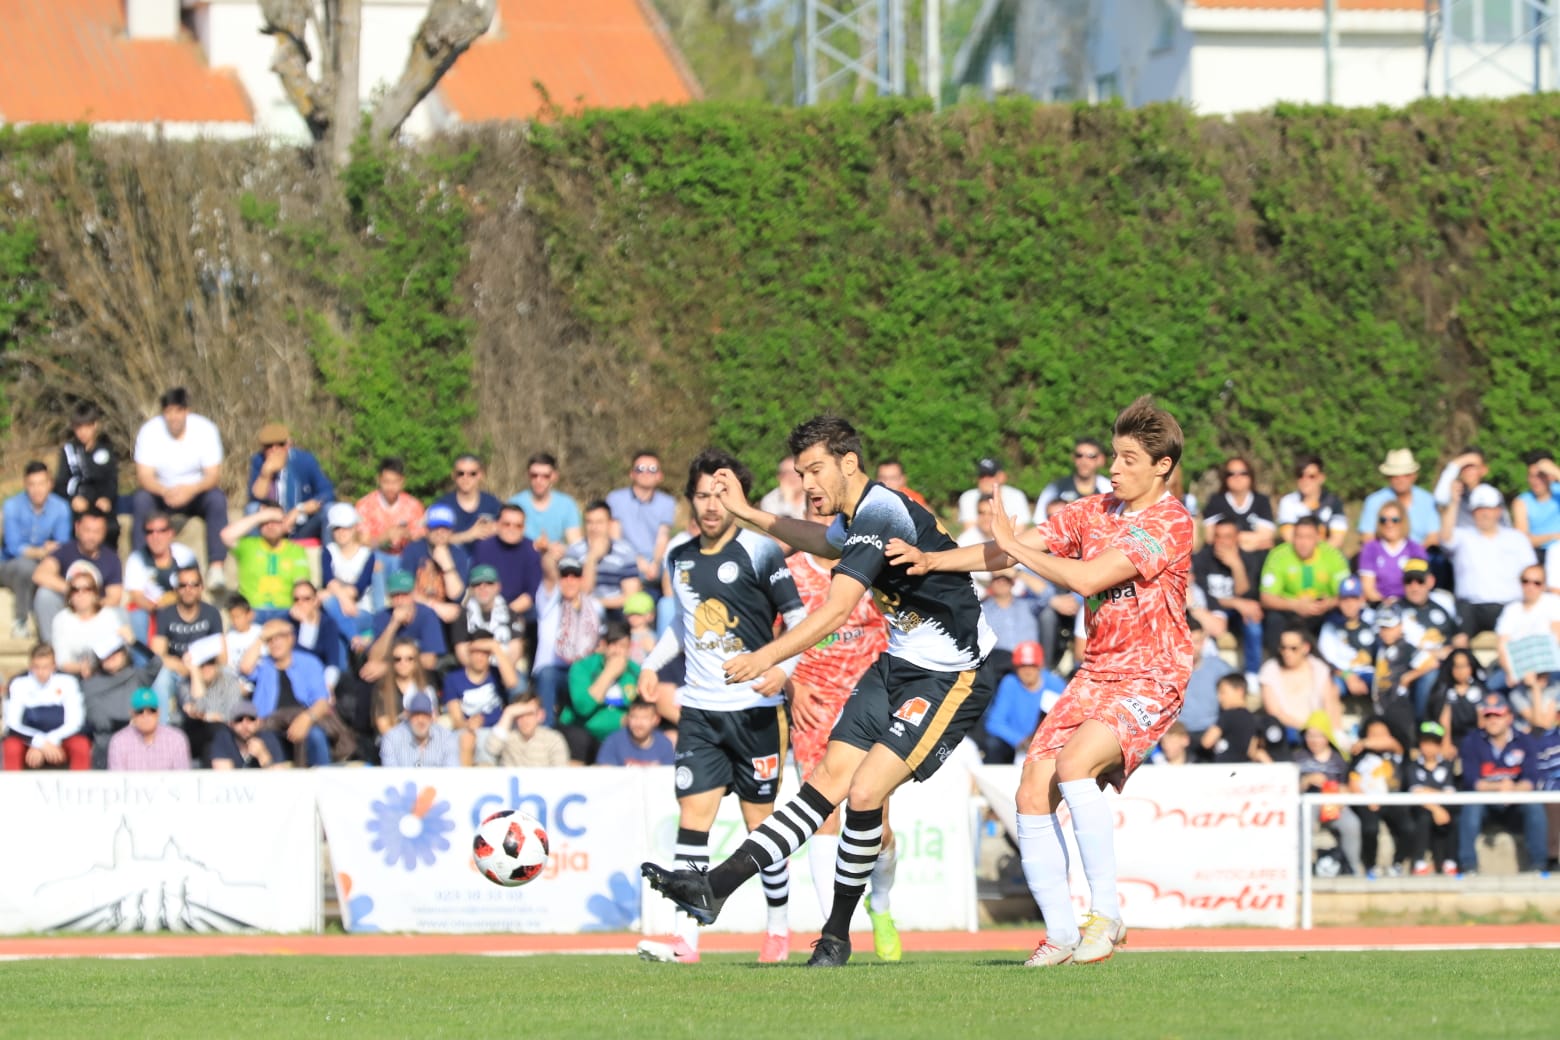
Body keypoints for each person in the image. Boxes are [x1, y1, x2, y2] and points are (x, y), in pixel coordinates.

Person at [642, 420, 996, 969]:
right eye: (801, 472)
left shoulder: (881, 511)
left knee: (863, 793)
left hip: (953, 674)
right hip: (899, 663)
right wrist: (749, 513)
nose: (806, 484)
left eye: (814, 470)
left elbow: (834, 610)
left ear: (848, 463)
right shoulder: (855, 518)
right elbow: (816, 539)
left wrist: (768, 656)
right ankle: (716, 886)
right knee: (825, 782)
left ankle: (835, 935)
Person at [903, 398, 1193, 967]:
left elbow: (1085, 577)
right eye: (1114, 454)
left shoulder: (1172, 522)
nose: (1114, 466)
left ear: (1161, 466)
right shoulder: (1092, 510)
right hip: (1097, 671)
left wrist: (1012, 548)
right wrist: (931, 561)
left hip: (1153, 671)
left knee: (1073, 765)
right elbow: (1010, 546)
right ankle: (1060, 935)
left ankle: (1105, 916)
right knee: (1031, 793)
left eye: (1128, 458)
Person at [634, 450, 808, 966]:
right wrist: (650, 663)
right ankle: (686, 942)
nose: (712, 505)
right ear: (691, 499)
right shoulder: (679, 557)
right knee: (694, 821)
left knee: (762, 827)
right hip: (701, 713)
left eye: (721, 494)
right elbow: (680, 625)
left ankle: (778, 932)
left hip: (756, 712)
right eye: (703, 495)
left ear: (737, 499)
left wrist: (784, 670)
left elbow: (801, 621)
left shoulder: (761, 551)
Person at [783, 516, 898, 961]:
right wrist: (791, 686)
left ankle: (881, 904)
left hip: (871, 703)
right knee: (822, 817)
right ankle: (836, 936)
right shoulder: (791, 572)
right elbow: (771, 636)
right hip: (814, 706)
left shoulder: (870, 564)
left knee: (878, 826)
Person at [130, 387, 228, 587]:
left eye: (178, 411)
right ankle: (142, 565)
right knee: (141, 500)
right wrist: (165, 491)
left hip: (195, 491)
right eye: (168, 412)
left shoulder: (205, 430)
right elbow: (144, 475)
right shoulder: (150, 431)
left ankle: (216, 567)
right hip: (161, 491)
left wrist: (190, 490)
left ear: (187, 411)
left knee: (217, 499)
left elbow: (213, 475)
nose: (173, 417)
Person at [1457, 692, 1548, 875]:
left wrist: (1512, 789)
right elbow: (1472, 781)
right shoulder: (1472, 741)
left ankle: (1539, 865)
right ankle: (1468, 866)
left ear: (1509, 717)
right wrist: (1501, 787)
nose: (1492, 720)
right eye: (1488, 716)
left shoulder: (1525, 741)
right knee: (1471, 806)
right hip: (1486, 803)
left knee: (1535, 806)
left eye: (1497, 715)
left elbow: (1531, 780)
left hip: (1515, 802)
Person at [1440, 483, 1538, 638]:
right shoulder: (1463, 536)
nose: (1485, 514)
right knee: (1459, 644)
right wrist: (1454, 502)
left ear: (1499, 511)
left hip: (1510, 606)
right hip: (1470, 607)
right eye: (1480, 509)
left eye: (1489, 509)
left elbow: (1533, 574)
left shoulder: (1517, 539)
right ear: (1472, 512)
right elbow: (1445, 539)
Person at [241, 618, 340, 767]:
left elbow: (322, 701)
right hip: (270, 723)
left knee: (315, 736)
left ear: (291, 639)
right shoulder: (264, 664)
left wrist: (306, 718)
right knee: (264, 739)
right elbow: (245, 668)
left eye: (279, 637)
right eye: (270, 640)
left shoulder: (309, 662)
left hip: (304, 717)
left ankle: (323, 782)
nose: (274, 643)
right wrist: (261, 637)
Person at [1258, 515, 1350, 654]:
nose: (1303, 543)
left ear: (1318, 538)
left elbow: (1349, 594)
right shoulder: (1278, 555)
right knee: (1273, 620)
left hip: (1321, 611)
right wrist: (1295, 605)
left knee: (1342, 616)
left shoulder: (1333, 556)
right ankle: (1278, 663)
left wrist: (1329, 603)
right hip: (1289, 609)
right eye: (1299, 537)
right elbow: (1266, 598)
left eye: (1308, 537)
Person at [531, 550, 603, 725]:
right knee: (547, 675)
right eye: (564, 576)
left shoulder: (594, 607)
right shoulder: (549, 601)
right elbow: (548, 573)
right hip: (554, 670)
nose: (570, 581)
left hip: (581, 670)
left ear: (581, 580)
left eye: (575, 575)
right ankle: (545, 729)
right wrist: (547, 552)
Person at [1, 461, 72, 638]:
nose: (37, 489)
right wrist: (42, 551)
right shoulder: (12, 506)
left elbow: (61, 545)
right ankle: (20, 620)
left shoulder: (61, 508)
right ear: (25, 485)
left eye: (41, 483)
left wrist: (43, 553)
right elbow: (14, 547)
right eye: (32, 484)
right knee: (27, 567)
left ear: (50, 484)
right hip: (10, 566)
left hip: (45, 564)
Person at [31, 507, 123, 641]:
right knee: (44, 595)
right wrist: (75, 591)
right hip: (66, 607)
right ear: (77, 528)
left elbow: (114, 597)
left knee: (121, 613)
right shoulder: (65, 550)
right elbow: (40, 574)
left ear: (104, 532)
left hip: (96, 613)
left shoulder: (112, 559)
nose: (91, 536)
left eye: (97, 531)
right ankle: (51, 646)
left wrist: (90, 603)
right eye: (87, 530)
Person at [559, 619, 641, 766]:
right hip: (582, 729)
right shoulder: (582, 668)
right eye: (613, 645)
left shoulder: (635, 671)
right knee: (580, 739)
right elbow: (583, 707)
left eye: (623, 646)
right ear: (603, 646)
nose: (617, 651)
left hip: (619, 735)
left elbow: (639, 709)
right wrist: (609, 674)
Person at [1193, 519, 1266, 680]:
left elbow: (1246, 595)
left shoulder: (1249, 559)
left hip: (1236, 613)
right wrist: (1234, 602)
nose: (1221, 542)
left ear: (1237, 538)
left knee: (1253, 621)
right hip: (1210, 610)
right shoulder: (1201, 559)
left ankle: (1252, 674)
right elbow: (1202, 595)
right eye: (1218, 536)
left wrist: (1236, 566)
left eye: (1227, 537)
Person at [1294, 711, 1364, 876]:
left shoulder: (1339, 760)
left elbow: (1347, 786)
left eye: (1318, 736)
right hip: (1307, 803)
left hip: (1334, 804)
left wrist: (1340, 795)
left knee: (1352, 824)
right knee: (1303, 822)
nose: (1314, 740)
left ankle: (1352, 868)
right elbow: (1288, 788)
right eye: (1310, 735)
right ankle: (1301, 870)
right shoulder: (1297, 757)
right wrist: (1306, 781)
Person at [2, 643, 90, 770]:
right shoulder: (18, 683)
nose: (41, 672)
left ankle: (81, 788)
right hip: (28, 739)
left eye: (46, 667)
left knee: (81, 745)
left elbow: (75, 722)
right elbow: (12, 724)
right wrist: (39, 743)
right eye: (36, 667)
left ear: (54, 666)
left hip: (60, 737)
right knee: (11, 746)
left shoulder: (68, 682)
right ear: (30, 666)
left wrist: (51, 741)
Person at [220, 502, 313, 622]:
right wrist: (262, 515)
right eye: (265, 522)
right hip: (252, 611)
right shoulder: (248, 545)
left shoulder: (295, 550)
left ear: (283, 523)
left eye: (275, 521)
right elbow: (225, 536)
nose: (270, 526)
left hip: (285, 611)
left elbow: (301, 582)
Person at [80, 632, 159, 769]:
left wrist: (134, 642)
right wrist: (129, 722)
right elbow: (99, 720)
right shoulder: (90, 684)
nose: (111, 658)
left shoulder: (137, 676)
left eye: (115, 652)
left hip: (139, 738)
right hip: (107, 741)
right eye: (106, 656)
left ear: (124, 654)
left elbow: (156, 663)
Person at [443, 632, 522, 766]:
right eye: (476, 652)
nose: (480, 657)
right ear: (469, 652)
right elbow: (456, 719)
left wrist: (495, 648)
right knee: (467, 739)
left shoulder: (497, 673)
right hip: (469, 731)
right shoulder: (453, 679)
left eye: (485, 652)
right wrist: (468, 725)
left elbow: (512, 683)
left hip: (496, 731)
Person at [1348, 715, 1414, 877]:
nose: (1378, 739)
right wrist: (1366, 800)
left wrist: (1364, 742)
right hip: (1369, 801)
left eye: (1382, 734)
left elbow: (1392, 743)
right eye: (1373, 734)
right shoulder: (1360, 757)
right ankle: (1370, 865)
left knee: (1409, 828)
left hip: (1393, 800)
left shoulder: (1396, 752)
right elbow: (1353, 780)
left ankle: (1398, 863)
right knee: (1370, 829)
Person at [151, 564, 225, 707]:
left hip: (205, 670)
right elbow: (157, 655)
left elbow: (222, 657)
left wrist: (202, 671)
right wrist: (181, 666)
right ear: (176, 589)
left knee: (227, 674)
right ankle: (161, 728)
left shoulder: (212, 613)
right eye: (183, 585)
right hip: (177, 671)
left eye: (193, 584)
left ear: (201, 587)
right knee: (161, 678)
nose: (188, 589)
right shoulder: (166, 614)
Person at [247, 422, 334, 541]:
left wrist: (300, 509)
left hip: (302, 524)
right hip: (272, 523)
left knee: (329, 509)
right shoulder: (258, 461)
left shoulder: (305, 460)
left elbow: (327, 492)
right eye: (269, 446)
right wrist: (266, 474)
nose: (274, 449)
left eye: (280, 444)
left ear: (288, 444)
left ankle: (328, 556)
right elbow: (255, 497)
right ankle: (256, 554)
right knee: (252, 509)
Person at [1492, 564, 1560, 716]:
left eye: (1536, 582)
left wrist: (1539, 672)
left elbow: (1557, 638)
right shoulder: (1512, 609)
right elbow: (1502, 644)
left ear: (1544, 585)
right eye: (1525, 581)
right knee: (1491, 688)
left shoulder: (1553, 603)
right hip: (1518, 667)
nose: (1530, 586)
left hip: (1548, 667)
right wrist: (1512, 672)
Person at [982, 640, 1065, 764]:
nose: (1027, 671)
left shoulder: (1055, 685)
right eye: (1022, 666)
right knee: (993, 744)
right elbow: (994, 722)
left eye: (1032, 665)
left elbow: (1066, 719)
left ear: (1040, 665)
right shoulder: (1010, 682)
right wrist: (1019, 740)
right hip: (1014, 745)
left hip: (1049, 745)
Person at [123, 512, 197, 644]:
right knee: (137, 615)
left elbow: (195, 587)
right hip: (151, 611)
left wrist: (175, 602)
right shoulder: (137, 559)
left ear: (170, 533)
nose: (155, 537)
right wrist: (157, 607)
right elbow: (137, 596)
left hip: (182, 607)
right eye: (150, 532)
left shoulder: (185, 555)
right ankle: (143, 661)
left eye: (161, 531)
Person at [1259, 624, 1342, 742]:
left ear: (1306, 648)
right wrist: (1306, 729)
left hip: (1318, 730)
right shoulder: (1269, 670)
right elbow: (1274, 712)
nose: (1287, 653)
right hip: (1286, 731)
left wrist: (1323, 730)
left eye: (1293, 648)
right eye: (1283, 648)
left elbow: (1329, 703)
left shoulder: (1319, 668)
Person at [53, 401, 121, 547]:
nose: (83, 432)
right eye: (79, 427)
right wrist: (73, 499)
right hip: (78, 504)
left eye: (87, 426)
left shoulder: (106, 450)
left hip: (99, 504)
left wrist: (107, 498)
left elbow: (112, 481)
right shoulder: (68, 451)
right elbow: (60, 483)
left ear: (95, 425)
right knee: (74, 529)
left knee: (112, 528)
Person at [607, 450, 676, 587]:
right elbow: (615, 537)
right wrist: (637, 560)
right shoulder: (615, 498)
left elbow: (662, 538)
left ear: (660, 476)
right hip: (624, 557)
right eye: (640, 469)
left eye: (652, 469)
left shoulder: (668, 502)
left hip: (655, 561)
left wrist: (655, 564)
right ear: (632, 474)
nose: (646, 473)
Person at [362, 571, 446, 682]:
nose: (400, 600)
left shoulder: (427, 615)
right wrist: (394, 624)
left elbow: (429, 661)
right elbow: (373, 658)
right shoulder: (382, 617)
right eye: (395, 595)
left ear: (413, 594)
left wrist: (387, 668)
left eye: (405, 594)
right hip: (389, 681)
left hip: (419, 677)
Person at [50, 562, 124, 681]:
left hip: (107, 674)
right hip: (73, 677)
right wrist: (80, 668)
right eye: (75, 590)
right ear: (69, 595)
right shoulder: (61, 619)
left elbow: (116, 652)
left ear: (95, 593)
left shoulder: (109, 616)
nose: (81, 594)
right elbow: (61, 660)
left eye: (87, 589)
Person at [468, 504, 541, 625]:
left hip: (520, 610)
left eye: (518, 525)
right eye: (507, 524)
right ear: (497, 524)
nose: (512, 529)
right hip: (486, 605)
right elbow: (476, 584)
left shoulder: (531, 551)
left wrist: (504, 614)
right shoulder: (484, 547)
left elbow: (531, 594)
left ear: (524, 528)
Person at [566, 500, 643, 613]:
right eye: (589, 522)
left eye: (599, 522)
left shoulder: (625, 552)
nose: (594, 528)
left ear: (610, 523)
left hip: (617, 614)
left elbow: (630, 596)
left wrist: (598, 603)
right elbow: (581, 592)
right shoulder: (574, 552)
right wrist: (591, 558)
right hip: (582, 613)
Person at [1406, 721, 1460, 875]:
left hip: (1444, 807)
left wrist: (1428, 792)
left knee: (1452, 818)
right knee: (1424, 818)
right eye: (1426, 742)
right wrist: (1436, 807)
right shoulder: (1412, 766)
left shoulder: (1448, 766)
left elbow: (1449, 793)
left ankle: (1450, 861)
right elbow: (1416, 792)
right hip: (1421, 809)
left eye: (1434, 743)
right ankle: (1419, 862)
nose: (1430, 747)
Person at [399, 504, 469, 623]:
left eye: (445, 528)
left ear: (451, 530)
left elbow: (456, 596)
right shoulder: (413, 550)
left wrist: (447, 564)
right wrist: (435, 606)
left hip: (448, 612)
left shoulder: (458, 554)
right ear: (426, 530)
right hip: (418, 608)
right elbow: (405, 590)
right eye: (435, 528)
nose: (440, 532)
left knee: (459, 615)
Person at [1358, 448, 1441, 548]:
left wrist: (1415, 556)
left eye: (1406, 475)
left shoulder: (1428, 500)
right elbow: (1367, 538)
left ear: (1414, 476)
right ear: (1387, 477)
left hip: (1420, 558)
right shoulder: (1373, 501)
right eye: (1395, 475)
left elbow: (1433, 538)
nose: (1400, 479)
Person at [1179, 614, 1233, 758]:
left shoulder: (1220, 669)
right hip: (1178, 736)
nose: (1192, 647)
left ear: (1204, 642)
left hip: (1213, 733)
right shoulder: (1166, 672)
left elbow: (1235, 704)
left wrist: (1219, 728)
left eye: (1196, 641)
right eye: (1187, 641)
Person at [320, 502, 375, 644]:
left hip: (361, 609)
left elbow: (359, 588)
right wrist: (344, 600)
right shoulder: (328, 551)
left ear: (354, 528)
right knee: (332, 610)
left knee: (332, 619)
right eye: (337, 528)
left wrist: (336, 594)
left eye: (347, 528)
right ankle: (353, 638)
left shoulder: (367, 555)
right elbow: (329, 580)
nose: (342, 533)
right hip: (337, 607)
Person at [1356, 502, 1427, 604]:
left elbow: (1420, 585)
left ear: (1403, 522)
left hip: (1409, 604)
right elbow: (1368, 589)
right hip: (1378, 605)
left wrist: (1401, 605)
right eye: (1383, 520)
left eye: (1395, 520)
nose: (1389, 524)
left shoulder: (1415, 549)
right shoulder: (1370, 548)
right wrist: (1386, 604)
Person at [107, 686, 192, 770]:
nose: (145, 715)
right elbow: (117, 781)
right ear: (132, 714)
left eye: (151, 710)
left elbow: (182, 780)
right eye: (140, 711)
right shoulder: (119, 742)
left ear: (158, 712)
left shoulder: (176, 740)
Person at [1201, 455, 1275, 551]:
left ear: (1251, 476)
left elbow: (1267, 538)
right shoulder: (1215, 501)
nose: (1237, 477)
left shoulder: (1262, 501)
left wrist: (1229, 538)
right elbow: (1210, 537)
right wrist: (1251, 543)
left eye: (1243, 473)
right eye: (1231, 474)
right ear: (1225, 478)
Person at [453, 564, 521, 668]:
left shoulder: (511, 613)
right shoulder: (462, 615)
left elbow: (515, 650)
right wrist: (482, 675)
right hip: (473, 671)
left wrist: (503, 672)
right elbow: (462, 653)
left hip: (505, 669)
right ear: (471, 588)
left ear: (498, 586)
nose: (483, 588)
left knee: (518, 683)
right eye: (477, 584)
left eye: (489, 583)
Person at [508, 452, 582, 546]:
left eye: (545, 476)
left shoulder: (567, 505)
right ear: (528, 475)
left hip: (556, 557)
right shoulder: (514, 504)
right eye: (534, 475)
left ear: (554, 477)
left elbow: (575, 543)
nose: (539, 480)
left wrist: (556, 550)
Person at [371, 636, 438, 738]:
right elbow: (384, 728)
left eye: (409, 659)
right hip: (393, 744)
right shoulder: (382, 689)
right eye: (398, 659)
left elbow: (434, 721)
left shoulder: (427, 690)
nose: (403, 663)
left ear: (416, 662)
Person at [1275, 455, 1348, 547]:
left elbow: (1337, 539)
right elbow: (1289, 537)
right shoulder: (1288, 502)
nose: (1305, 480)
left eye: (1311, 476)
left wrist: (1318, 556)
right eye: (1300, 475)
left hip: (1326, 554)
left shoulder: (1334, 503)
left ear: (1322, 478)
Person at [1424, 648, 1489, 750]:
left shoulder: (1480, 690)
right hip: (1451, 739)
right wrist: (1446, 744)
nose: (1460, 671)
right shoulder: (1443, 690)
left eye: (1464, 666)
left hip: (1475, 738)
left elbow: (1483, 721)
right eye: (1456, 666)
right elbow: (1444, 718)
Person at [1032, 437, 1111, 519]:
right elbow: (1040, 522)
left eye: (1091, 456)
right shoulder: (1055, 489)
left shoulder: (1109, 489)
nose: (1084, 461)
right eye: (1079, 455)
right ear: (1073, 458)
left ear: (1101, 459)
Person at [433, 453, 503, 545]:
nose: (466, 478)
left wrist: (498, 529)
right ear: (453, 475)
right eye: (460, 473)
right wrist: (468, 535)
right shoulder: (443, 505)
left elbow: (510, 530)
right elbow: (434, 539)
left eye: (472, 474)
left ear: (480, 475)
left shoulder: (492, 503)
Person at [486, 692, 570, 767]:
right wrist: (508, 713)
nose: (525, 720)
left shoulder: (553, 739)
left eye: (529, 714)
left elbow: (560, 774)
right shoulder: (508, 736)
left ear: (540, 715)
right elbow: (492, 749)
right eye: (519, 715)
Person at [379, 691, 462, 768]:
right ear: (408, 715)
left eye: (425, 715)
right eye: (416, 714)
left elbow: (451, 774)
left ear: (432, 716)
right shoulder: (391, 738)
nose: (420, 720)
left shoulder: (447, 738)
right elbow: (390, 775)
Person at [1200, 674, 1267, 764]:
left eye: (1223, 692)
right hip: (1246, 767)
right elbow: (1253, 751)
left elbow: (1207, 742)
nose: (1219, 698)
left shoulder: (1228, 716)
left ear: (1239, 691)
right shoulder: (1253, 718)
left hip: (1226, 768)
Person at [209, 698, 289, 769]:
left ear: (259, 722)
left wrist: (263, 756)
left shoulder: (269, 738)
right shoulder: (223, 738)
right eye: (239, 719)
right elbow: (223, 777)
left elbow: (280, 779)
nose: (245, 725)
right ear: (230, 724)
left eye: (251, 719)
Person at [956, 456, 1029, 535]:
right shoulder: (967, 497)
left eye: (990, 476)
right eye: (982, 476)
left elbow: (1019, 531)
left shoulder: (1016, 496)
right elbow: (970, 532)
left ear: (1002, 477)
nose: (985, 480)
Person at [595, 697, 676, 766]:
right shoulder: (613, 742)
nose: (638, 723)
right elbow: (605, 773)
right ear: (627, 718)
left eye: (645, 718)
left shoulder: (664, 744)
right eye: (634, 717)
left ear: (656, 720)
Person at [1513, 451, 1560, 560]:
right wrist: (1554, 537)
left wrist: (1555, 471)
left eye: (1540, 476)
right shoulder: (1522, 502)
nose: (1535, 481)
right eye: (1532, 476)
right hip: (1539, 554)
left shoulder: (1558, 491)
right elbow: (1522, 540)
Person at [758, 454, 807, 520]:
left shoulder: (815, 498)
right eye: (787, 473)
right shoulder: (770, 500)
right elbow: (782, 528)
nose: (792, 477)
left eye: (796, 472)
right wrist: (787, 501)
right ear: (779, 477)